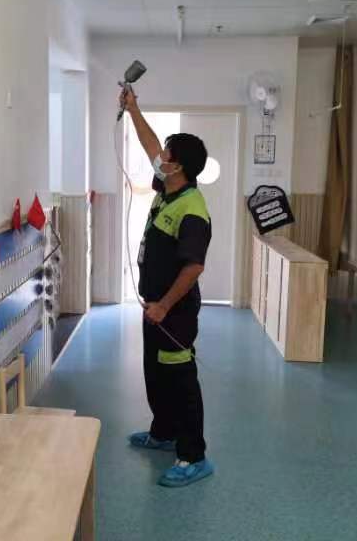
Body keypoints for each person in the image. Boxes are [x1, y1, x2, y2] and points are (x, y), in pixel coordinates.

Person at [119, 87, 214, 487]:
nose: (161, 159)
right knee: (155, 373)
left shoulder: (193, 209)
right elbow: (150, 146)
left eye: (168, 156)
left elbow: (193, 267)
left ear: (180, 167)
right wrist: (133, 109)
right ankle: (163, 432)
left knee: (180, 380)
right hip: (154, 305)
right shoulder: (168, 190)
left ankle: (193, 455)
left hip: (174, 311)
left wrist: (164, 306)